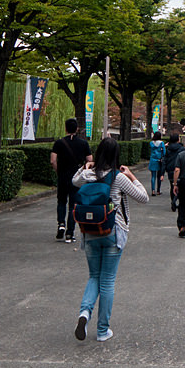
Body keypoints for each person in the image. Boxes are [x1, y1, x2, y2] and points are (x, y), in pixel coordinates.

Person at [71, 136, 148, 342]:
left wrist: (86, 166)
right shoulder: (118, 177)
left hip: (90, 231)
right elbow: (143, 197)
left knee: (93, 276)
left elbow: (74, 181)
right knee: (107, 281)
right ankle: (103, 330)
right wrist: (132, 176)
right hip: (113, 232)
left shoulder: (88, 174)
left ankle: (84, 314)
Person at [51, 118, 93, 243]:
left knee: (61, 201)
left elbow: (53, 160)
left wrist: (58, 171)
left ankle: (61, 224)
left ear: (65, 128)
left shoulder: (59, 143)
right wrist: (84, 171)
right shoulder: (83, 143)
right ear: (77, 129)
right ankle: (70, 233)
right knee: (73, 205)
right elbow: (90, 160)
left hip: (63, 176)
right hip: (77, 178)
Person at [163, 133, 184, 211]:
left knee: (172, 186)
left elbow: (165, 160)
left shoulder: (168, 149)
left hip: (170, 170)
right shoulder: (181, 148)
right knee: (179, 186)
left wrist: (163, 172)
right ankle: (176, 200)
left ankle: (173, 200)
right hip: (179, 169)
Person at [148, 132, 165, 196]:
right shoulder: (161, 143)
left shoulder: (151, 143)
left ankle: (153, 190)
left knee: (153, 176)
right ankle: (158, 190)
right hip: (159, 160)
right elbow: (164, 152)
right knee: (159, 176)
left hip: (152, 160)